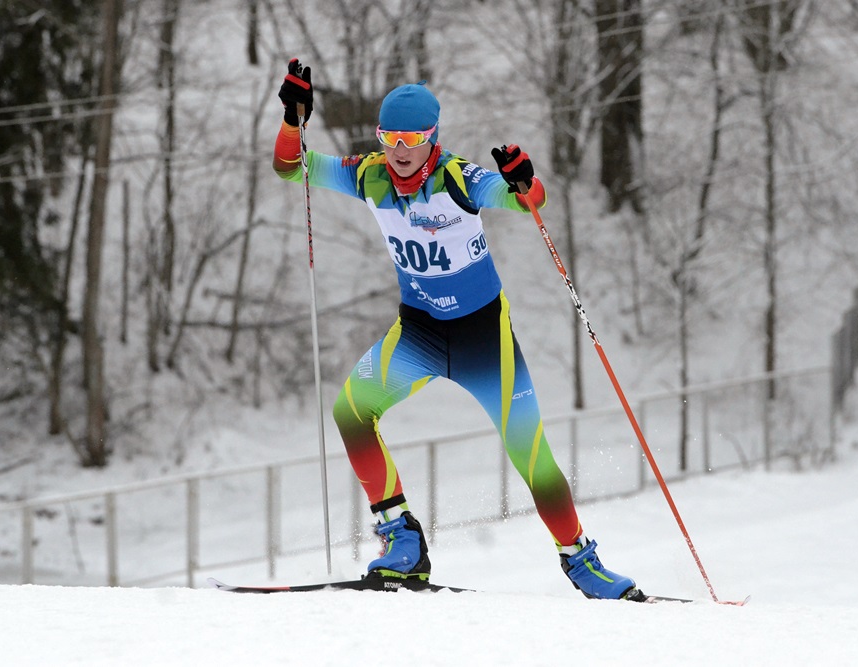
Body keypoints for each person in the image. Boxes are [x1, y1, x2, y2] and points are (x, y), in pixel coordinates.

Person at [273, 59, 639, 600]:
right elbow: (291, 167)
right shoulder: (368, 174)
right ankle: (402, 539)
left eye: (413, 138)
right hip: (418, 333)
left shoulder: (458, 179)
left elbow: (525, 199)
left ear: (432, 139)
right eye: (389, 137)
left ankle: (581, 562)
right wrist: (291, 117)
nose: (399, 149)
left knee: (530, 454)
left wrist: (524, 182)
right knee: (351, 411)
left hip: (482, 340)